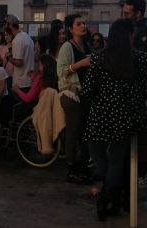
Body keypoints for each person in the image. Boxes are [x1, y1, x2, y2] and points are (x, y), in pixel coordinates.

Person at [81, 19, 147, 222]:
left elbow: (88, 91)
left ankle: (103, 181)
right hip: (128, 115)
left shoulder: (98, 58)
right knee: (118, 156)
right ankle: (108, 195)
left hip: (101, 114)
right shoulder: (140, 58)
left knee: (97, 151)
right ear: (130, 36)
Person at [57, 14, 92, 185]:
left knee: (85, 133)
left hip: (85, 94)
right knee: (73, 131)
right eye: (78, 24)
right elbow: (61, 71)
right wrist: (81, 64)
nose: (83, 26)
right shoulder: (67, 47)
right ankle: (71, 168)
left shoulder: (87, 45)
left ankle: (81, 166)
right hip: (71, 94)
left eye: (84, 23)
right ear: (71, 29)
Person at [121, 0, 147, 104]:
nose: (124, 16)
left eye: (127, 13)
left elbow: (143, 61)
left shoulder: (145, 30)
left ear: (138, 13)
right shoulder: (139, 28)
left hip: (139, 88)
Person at [4, 15, 35, 91]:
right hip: (29, 81)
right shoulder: (27, 37)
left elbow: (19, 63)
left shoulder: (17, 40)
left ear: (10, 25)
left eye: (6, 24)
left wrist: (8, 57)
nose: (5, 26)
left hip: (21, 84)